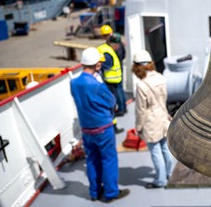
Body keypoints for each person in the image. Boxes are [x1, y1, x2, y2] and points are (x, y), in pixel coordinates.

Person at [70, 47, 130, 202]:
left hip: (86, 129)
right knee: (108, 159)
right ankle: (111, 193)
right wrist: (99, 82)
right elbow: (111, 101)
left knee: (91, 159)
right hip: (103, 128)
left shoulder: (74, 83)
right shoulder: (97, 85)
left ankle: (94, 192)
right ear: (97, 65)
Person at [132, 49, 175, 189]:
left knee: (156, 152)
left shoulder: (141, 85)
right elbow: (165, 99)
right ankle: (169, 173)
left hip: (151, 122)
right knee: (165, 148)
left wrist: (138, 127)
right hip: (163, 117)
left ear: (137, 67)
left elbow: (141, 110)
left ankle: (160, 181)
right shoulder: (161, 77)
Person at [98, 32, 127, 117]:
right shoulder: (115, 48)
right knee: (120, 91)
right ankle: (123, 107)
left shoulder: (108, 51)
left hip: (112, 78)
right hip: (116, 74)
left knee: (116, 94)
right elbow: (123, 55)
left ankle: (121, 109)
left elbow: (107, 65)